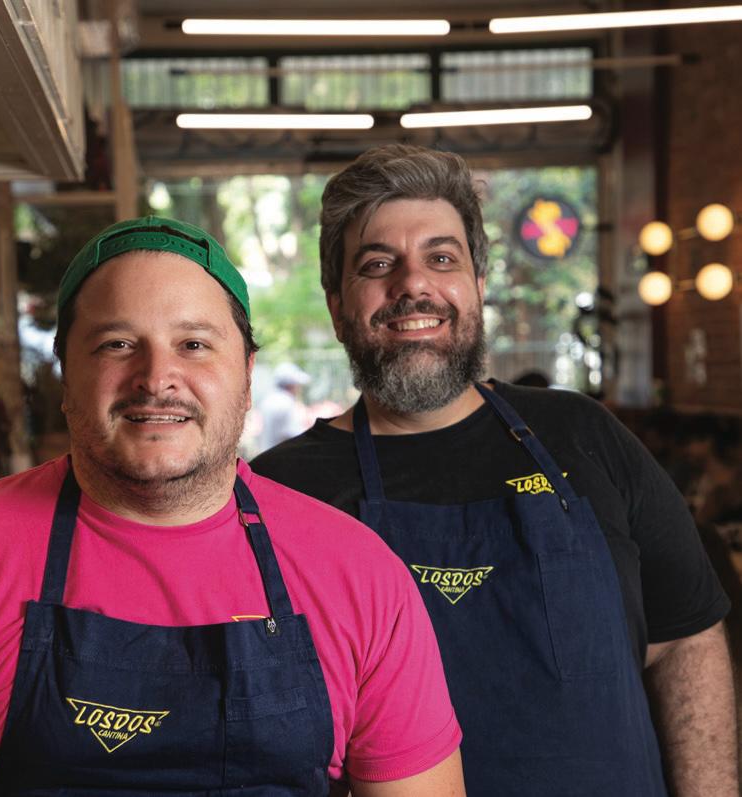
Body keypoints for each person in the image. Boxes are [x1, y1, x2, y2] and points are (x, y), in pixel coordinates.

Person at [0, 216, 466, 797]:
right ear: (65, 374)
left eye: (194, 344)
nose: (157, 378)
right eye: (118, 344)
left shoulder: (360, 575)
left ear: (246, 372)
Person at [251, 144, 738, 796]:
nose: (412, 284)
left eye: (441, 258)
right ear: (338, 305)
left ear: (477, 286)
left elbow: (684, 639)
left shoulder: (582, 435)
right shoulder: (281, 492)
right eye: (377, 264)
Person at [258, 361, 312, 451]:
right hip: (281, 458)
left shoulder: (268, 400)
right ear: (290, 385)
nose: (299, 388)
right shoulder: (286, 402)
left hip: (266, 455)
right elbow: (293, 435)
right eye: (297, 384)